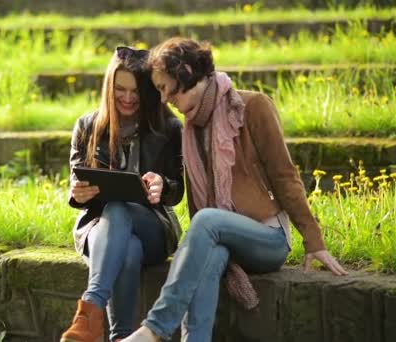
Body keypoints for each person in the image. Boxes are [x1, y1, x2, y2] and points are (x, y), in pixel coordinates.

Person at [122, 37, 348, 342]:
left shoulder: (252, 106)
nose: (164, 99)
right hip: (221, 237)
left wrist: (313, 239)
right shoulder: (191, 127)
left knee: (206, 220)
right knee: (209, 256)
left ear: (186, 72)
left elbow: (285, 176)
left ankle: (156, 329)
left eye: (165, 88)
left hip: (268, 239)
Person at [60, 46, 185, 342]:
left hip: (153, 225)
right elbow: (76, 186)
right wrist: (79, 192)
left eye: (135, 91)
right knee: (126, 250)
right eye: (120, 89)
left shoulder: (169, 128)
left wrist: (162, 186)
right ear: (108, 88)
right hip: (98, 228)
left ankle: (90, 311)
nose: (127, 98)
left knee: (119, 206)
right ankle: (121, 338)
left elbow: (178, 189)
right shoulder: (87, 126)